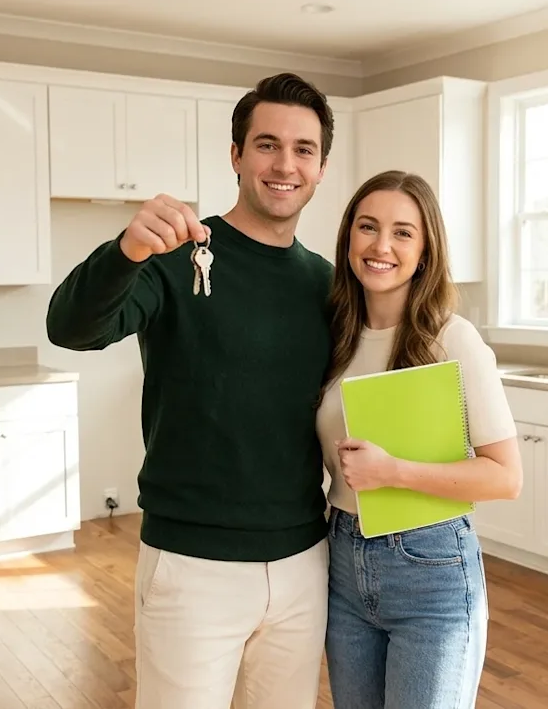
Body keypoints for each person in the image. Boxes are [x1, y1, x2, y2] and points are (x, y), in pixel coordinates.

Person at [46, 72, 336, 709]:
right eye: (266, 144)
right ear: (235, 155)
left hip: (303, 562)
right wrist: (125, 250)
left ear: (320, 168)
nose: (285, 164)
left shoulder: (328, 285)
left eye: (304, 149)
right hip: (192, 565)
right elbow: (70, 328)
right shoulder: (177, 255)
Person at [314, 170, 523, 709]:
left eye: (403, 232)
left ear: (426, 250)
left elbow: (506, 476)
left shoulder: (452, 340)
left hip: (430, 570)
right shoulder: (332, 335)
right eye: (368, 227)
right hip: (341, 560)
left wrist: (395, 472)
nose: (381, 246)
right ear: (348, 238)